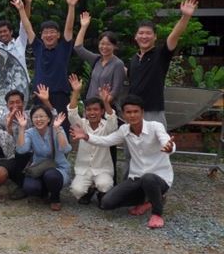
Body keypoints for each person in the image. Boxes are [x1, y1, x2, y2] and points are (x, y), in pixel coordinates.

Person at [70, 95, 176, 229]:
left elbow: (165, 140)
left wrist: (169, 147)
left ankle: (157, 213)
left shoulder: (155, 127)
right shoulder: (124, 130)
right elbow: (106, 140)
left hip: (159, 178)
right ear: (124, 114)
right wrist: (85, 136)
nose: (132, 115)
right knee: (107, 203)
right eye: (129, 112)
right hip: (136, 178)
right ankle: (149, 200)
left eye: (136, 111)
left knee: (149, 178)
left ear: (142, 112)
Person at [12, 0, 81, 133]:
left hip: (60, 95)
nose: (49, 35)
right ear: (41, 36)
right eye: (46, 32)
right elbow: (27, 27)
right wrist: (21, 9)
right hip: (39, 95)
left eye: (52, 32)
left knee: (60, 128)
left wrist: (71, 6)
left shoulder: (64, 47)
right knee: (40, 128)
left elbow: (69, 27)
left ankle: (61, 154)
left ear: (58, 35)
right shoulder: (38, 47)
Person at [128, 0, 198, 126]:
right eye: (141, 33)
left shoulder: (161, 54)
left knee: (157, 146)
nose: (144, 36)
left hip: (153, 112)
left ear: (155, 37)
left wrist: (185, 17)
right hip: (132, 112)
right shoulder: (134, 58)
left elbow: (174, 35)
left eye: (148, 33)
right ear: (136, 37)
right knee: (132, 146)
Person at [67, 75, 117, 205]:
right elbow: (72, 113)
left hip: (103, 169)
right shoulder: (81, 125)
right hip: (84, 169)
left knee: (105, 185)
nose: (92, 113)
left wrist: (106, 102)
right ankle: (89, 190)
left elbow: (113, 120)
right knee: (76, 191)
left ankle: (101, 192)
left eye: (96, 109)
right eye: (89, 110)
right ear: (85, 111)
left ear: (101, 111)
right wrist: (76, 92)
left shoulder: (107, 126)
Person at [15, 106, 71, 211]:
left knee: (51, 176)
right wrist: (22, 128)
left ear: (49, 119)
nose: (38, 119)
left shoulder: (57, 129)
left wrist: (58, 129)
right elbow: (21, 150)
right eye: (35, 117)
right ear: (31, 119)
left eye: (42, 116)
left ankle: (55, 197)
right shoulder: (30, 133)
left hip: (58, 168)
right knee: (29, 187)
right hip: (39, 169)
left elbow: (66, 149)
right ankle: (44, 192)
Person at [74, 12, 125, 104]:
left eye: (108, 44)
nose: (104, 47)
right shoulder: (96, 59)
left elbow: (115, 91)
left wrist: (101, 106)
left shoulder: (118, 64)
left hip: (105, 108)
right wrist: (84, 27)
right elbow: (78, 48)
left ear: (115, 46)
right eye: (102, 44)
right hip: (90, 107)